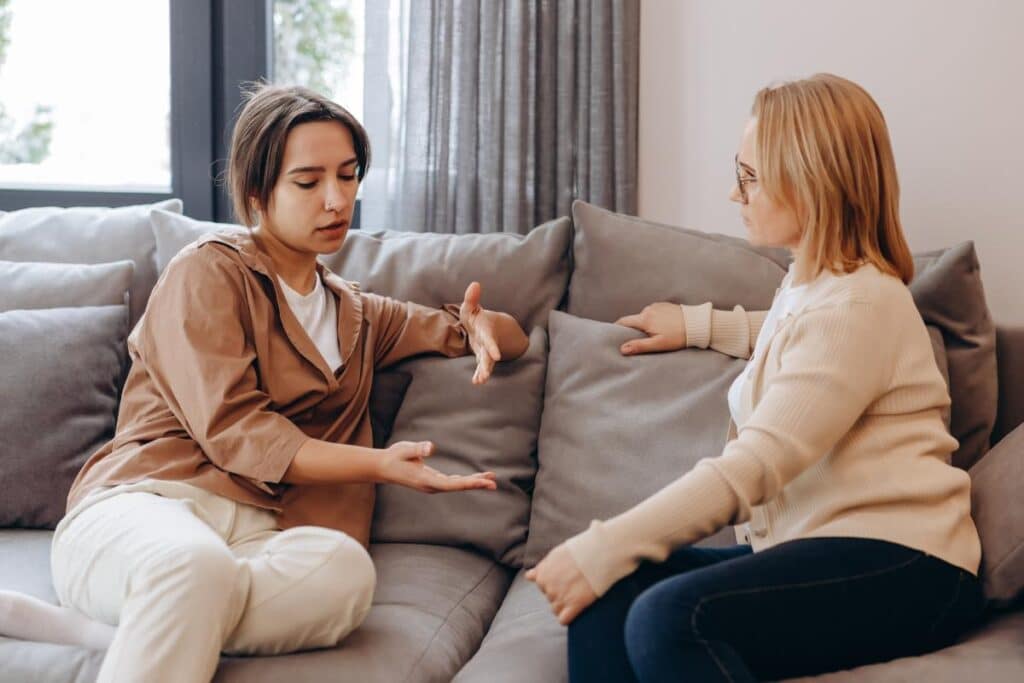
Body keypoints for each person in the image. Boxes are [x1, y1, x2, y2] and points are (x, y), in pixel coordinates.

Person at [0, 84, 529, 683]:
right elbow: (237, 432)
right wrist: (377, 464)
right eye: (308, 182)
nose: (336, 199)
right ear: (258, 193)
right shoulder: (208, 271)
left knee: (344, 573)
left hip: (259, 537)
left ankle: (124, 627)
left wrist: (488, 327)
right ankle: (163, 605)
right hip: (146, 505)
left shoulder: (357, 313)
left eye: (348, 176)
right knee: (191, 564)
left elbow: (481, 334)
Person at [526, 73, 985, 682]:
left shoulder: (860, 306)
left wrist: (604, 544)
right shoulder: (813, 286)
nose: (735, 195)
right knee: (607, 596)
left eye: (750, 177)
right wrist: (696, 325)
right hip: (818, 548)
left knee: (669, 616)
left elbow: (754, 464)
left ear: (811, 181)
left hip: (909, 565)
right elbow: (791, 337)